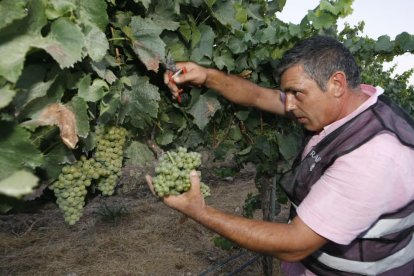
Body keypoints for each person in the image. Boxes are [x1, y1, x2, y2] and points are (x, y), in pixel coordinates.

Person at [146, 35, 414, 275]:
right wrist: (206, 76)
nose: (288, 104)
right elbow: (259, 97)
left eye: (296, 93)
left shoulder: (374, 157)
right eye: (287, 94)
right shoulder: (347, 105)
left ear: (337, 83)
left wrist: (201, 212)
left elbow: (295, 245)